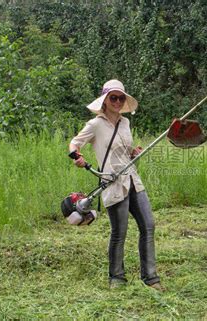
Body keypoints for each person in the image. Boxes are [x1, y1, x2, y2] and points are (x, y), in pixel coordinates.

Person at [68, 79, 164, 291]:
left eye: (121, 98)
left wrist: (133, 153)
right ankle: (117, 278)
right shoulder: (95, 125)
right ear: (105, 100)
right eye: (114, 97)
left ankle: (151, 278)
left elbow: (124, 151)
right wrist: (77, 156)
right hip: (112, 183)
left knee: (148, 225)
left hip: (132, 180)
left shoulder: (126, 123)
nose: (118, 101)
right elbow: (75, 143)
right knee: (119, 232)